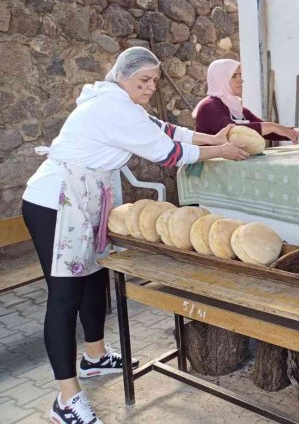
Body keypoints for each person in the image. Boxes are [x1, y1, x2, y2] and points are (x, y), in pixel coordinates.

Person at [22, 47, 249, 424]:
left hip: (83, 200)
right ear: (121, 77)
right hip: (56, 202)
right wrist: (222, 150)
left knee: (95, 280)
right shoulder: (112, 107)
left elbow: (165, 130)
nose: (149, 87)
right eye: (143, 81)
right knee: (64, 297)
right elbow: (168, 153)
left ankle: (94, 358)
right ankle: (66, 399)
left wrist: (213, 137)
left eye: (154, 81)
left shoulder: (123, 105)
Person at [193, 59, 299, 145]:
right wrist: (273, 126)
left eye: (240, 75)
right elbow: (233, 131)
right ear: (220, 79)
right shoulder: (209, 107)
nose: (241, 80)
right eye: (234, 76)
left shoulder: (236, 108)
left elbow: (264, 129)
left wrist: (298, 131)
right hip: (209, 171)